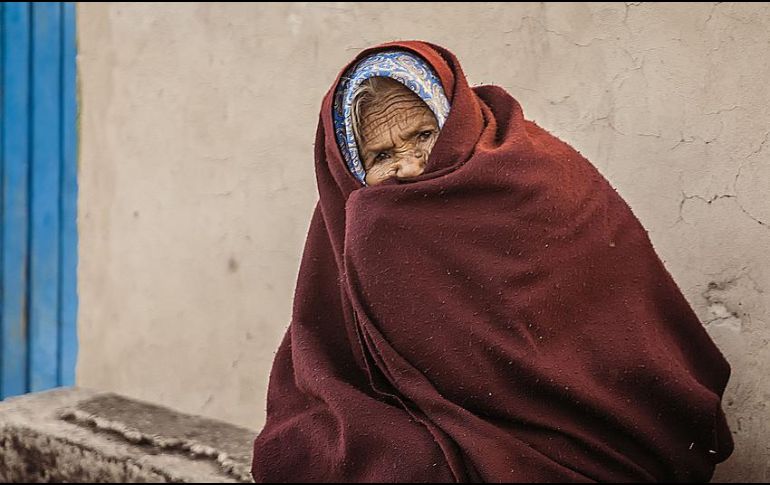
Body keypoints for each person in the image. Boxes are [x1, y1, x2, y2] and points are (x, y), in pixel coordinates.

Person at [251, 40, 734, 483]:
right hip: (442, 424)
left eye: (423, 134)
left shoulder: (536, 175)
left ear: (456, 120)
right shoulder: (361, 221)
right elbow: (331, 362)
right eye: (380, 154)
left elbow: (615, 324)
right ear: (351, 169)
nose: (410, 165)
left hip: (599, 427)